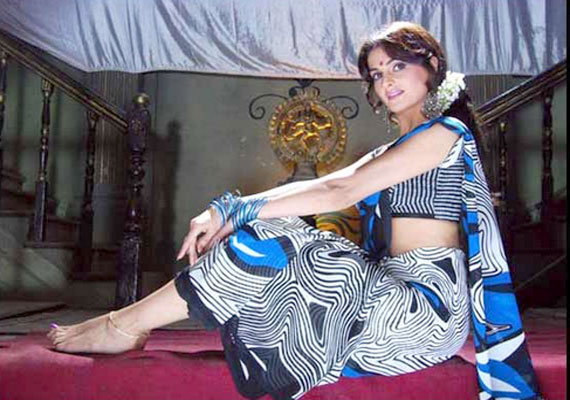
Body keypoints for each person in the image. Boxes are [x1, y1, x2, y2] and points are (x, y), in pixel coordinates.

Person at [48, 21, 542, 400]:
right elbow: (326, 183)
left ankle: (124, 325)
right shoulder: (394, 150)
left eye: (396, 66)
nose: (386, 81)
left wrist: (236, 210)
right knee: (272, 233)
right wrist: (232, 211)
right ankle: (127, 324)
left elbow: (340, 191)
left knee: (272, 235)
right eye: (376, 73)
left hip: (424, 312)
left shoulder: (445, 134)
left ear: (430, 64)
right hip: (388, 292)